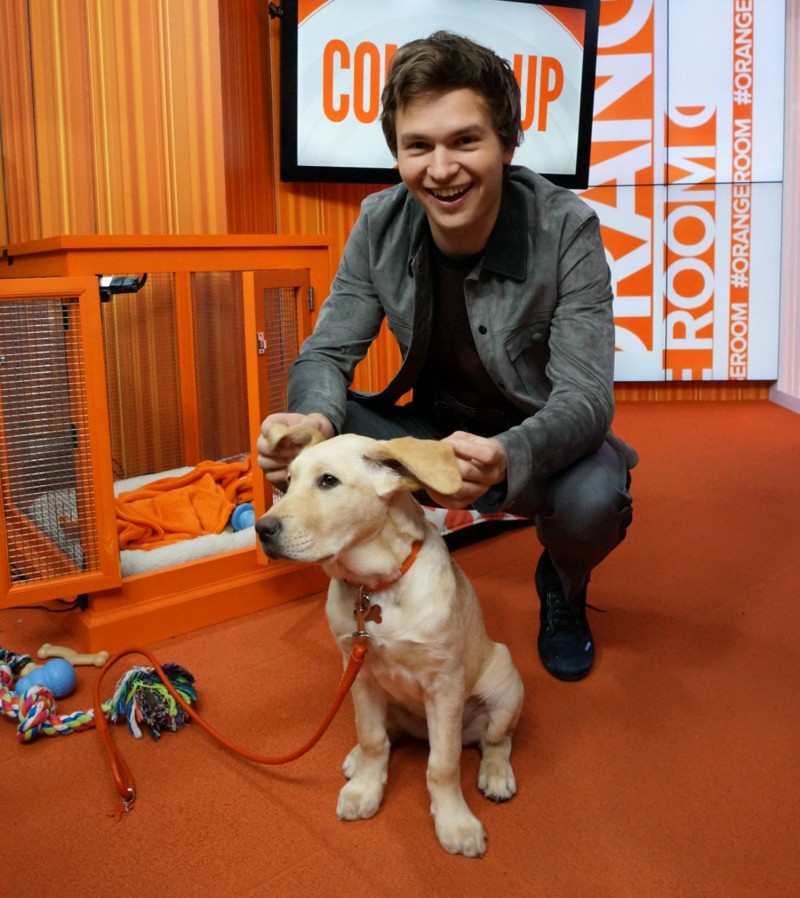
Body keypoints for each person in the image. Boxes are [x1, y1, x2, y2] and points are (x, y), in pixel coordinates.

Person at [257, 31, 637, 682]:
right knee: (318, 431)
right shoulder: (378, 222)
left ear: (507, 144)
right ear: (397, 154)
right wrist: (311, 424)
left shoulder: (566, 227)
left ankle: (564, 589)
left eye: (465, 141)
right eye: (418, 146)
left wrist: (509, 455)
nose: (441, 168)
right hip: (429, 435)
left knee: (596, 498)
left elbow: (586, 397)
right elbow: (327, 353)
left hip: (534, 442)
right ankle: (375, 584)